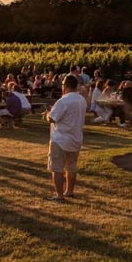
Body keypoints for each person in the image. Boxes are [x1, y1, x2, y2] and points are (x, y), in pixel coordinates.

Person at [45, 74, 88, 202]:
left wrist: (48, 113)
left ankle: (59, 195)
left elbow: (52, 118)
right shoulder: (82, 100)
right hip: (76, 138)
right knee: (71, 167)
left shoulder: (63, 100)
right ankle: (69, 191)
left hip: (61, 138)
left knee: (57, 168)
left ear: (66, 86)